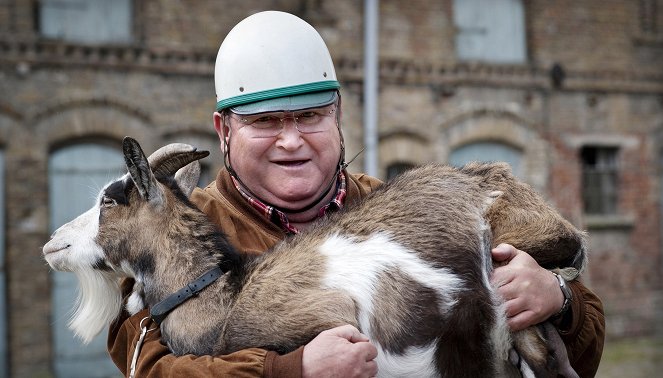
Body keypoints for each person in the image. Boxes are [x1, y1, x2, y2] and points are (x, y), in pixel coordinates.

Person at [108, 10, 604, 378]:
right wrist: (292, 370)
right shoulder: (173, 240)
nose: (291, 139)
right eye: (265, 122)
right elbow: (148, 370)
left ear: (337, 114)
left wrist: (558, 299)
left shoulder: (399, 210)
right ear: (224, 130)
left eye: (309, 116)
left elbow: (586, 349)